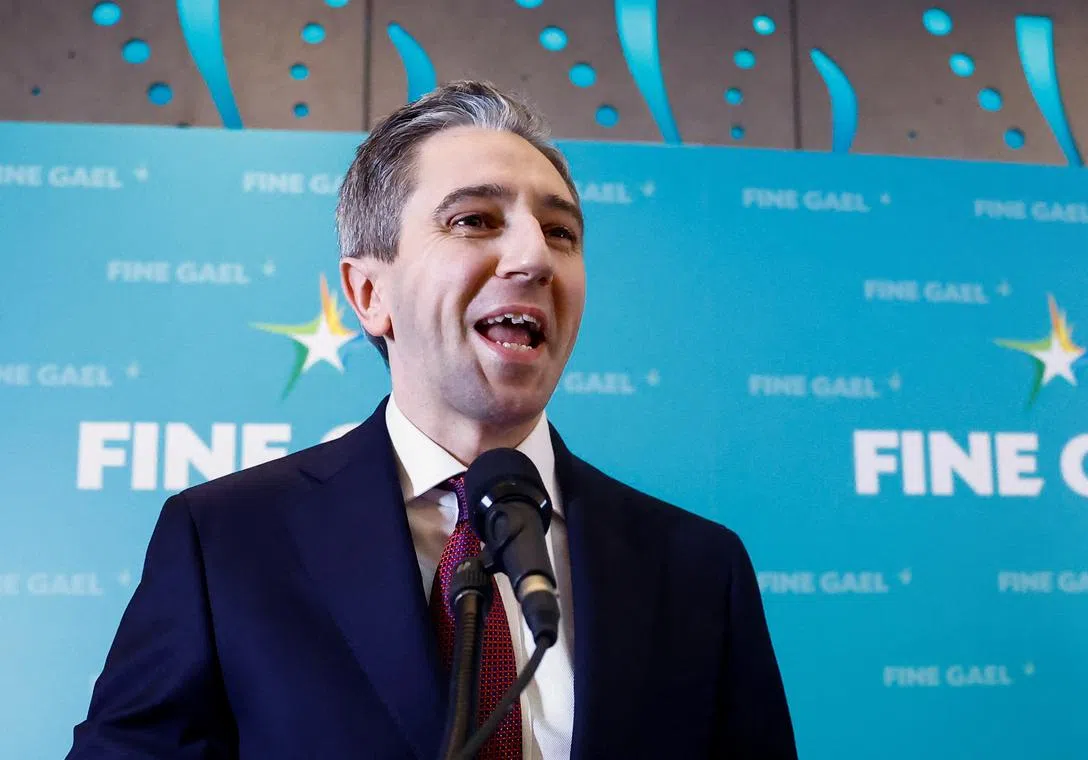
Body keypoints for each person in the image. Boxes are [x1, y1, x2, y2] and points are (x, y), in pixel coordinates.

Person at [66, 80, 797, 760]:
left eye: (561, 232)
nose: (533, 257)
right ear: (368, 292)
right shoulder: (225, 542)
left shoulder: (700, 569)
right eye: (475, 220)